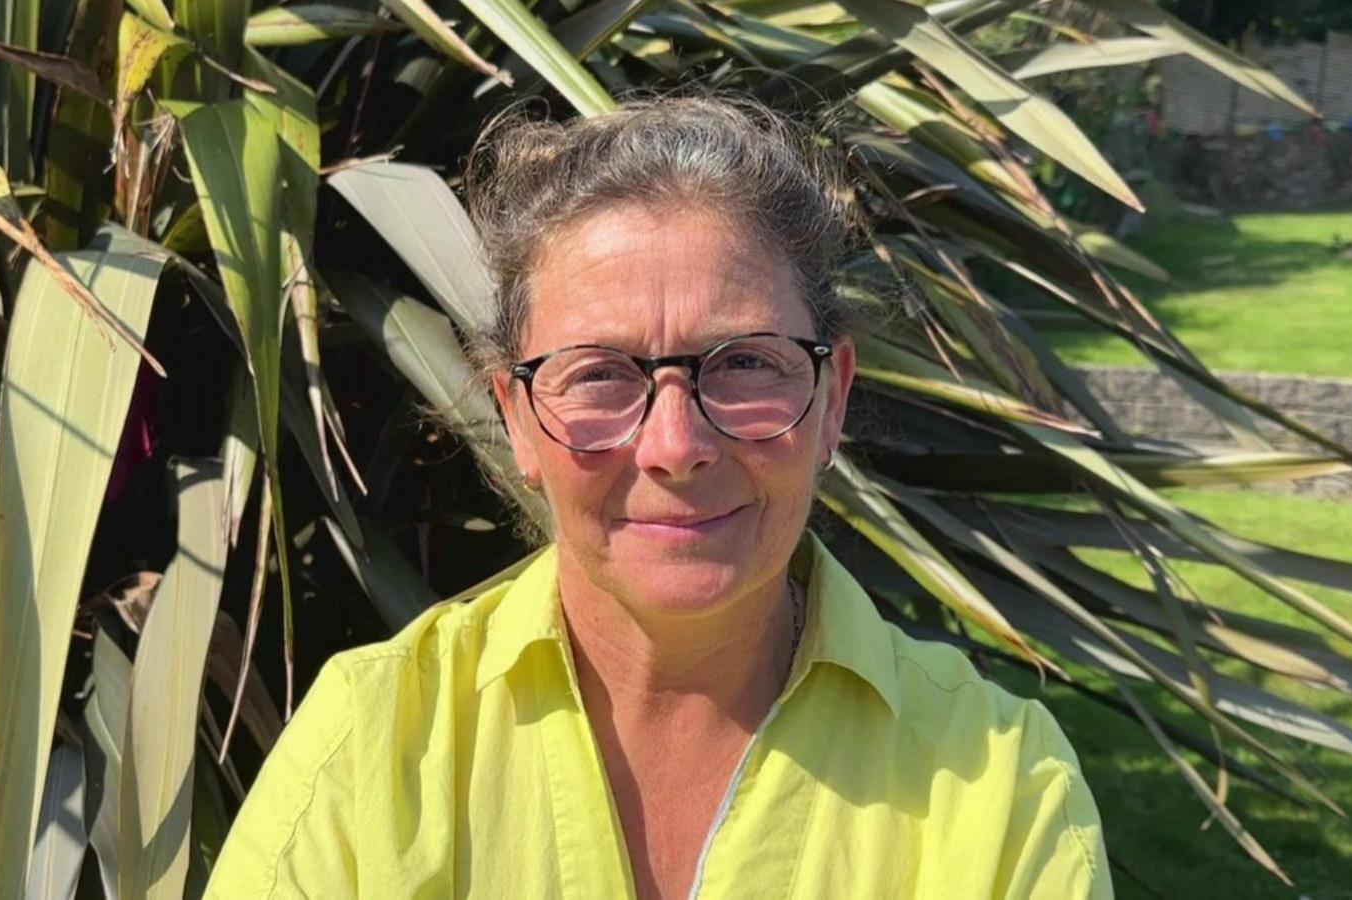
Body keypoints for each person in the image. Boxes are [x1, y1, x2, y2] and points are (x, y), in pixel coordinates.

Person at [205, 94, 1112, 899]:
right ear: (517, 419)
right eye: (598, 376)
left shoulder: (997, 786)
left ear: (831, 399)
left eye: (745, 363)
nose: (676, 447)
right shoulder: (371, 745)